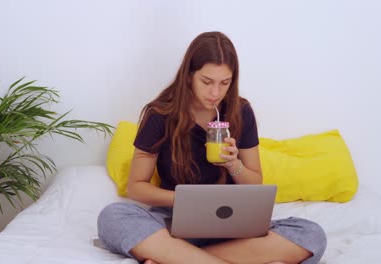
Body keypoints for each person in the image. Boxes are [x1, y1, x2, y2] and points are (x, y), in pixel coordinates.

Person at [97, 31, 326, 264]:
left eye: (224, 83)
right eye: (207, 82)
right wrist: (187, 201)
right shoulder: (160, 115)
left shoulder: (241, 112)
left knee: (311, 234)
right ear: (189, 75)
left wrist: (234, 164)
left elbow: (255, 183)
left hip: (231, 225)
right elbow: (136, 187)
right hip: (177, 224)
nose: (215, 93)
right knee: (113, 217)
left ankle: (175, 258)